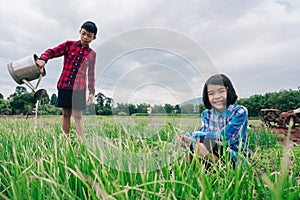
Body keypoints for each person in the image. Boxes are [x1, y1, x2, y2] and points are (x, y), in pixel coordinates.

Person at [36, 21, 97, 138]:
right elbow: (52, 51)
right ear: (80, 32)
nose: (85, 37)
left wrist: (91, 93)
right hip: (64, 85)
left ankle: (81, 140)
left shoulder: (92, 54)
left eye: (89, 36)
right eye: (83, 33)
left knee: (78, 116)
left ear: (94, 37)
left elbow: (91, 74)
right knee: (66, 114)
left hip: (79, 88)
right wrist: (43, 59)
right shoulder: (69, 45)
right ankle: (65, 139)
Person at [178, 74, 250, 166]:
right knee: (189, 153)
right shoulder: (206, 114)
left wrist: (192, 135)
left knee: (198, 146)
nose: (216, 97)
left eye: (221, 91)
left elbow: (225, 137)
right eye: (211, 94)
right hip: (211, 151)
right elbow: (206, 136)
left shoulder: (239, 111)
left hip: (234, 156)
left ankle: (223, 171)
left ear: (228, 91)